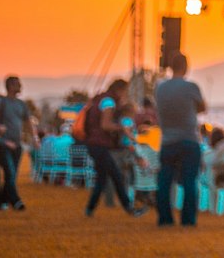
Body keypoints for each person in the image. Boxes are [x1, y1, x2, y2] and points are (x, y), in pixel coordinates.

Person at [154, 52, 207, 227]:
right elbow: (202, 107)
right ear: (185, 66)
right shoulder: (191, 87)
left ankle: (165, 218)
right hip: (189, 139)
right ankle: (188, 219)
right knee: (190, 181)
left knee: (164, 181)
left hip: (168, 140)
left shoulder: (160, 88)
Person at [83, 80, 146, 218]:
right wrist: (122, 128)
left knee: (102, 179)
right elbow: (105, 125)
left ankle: (90, 209)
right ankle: (129, 208)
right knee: (116, 176)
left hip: (94, 143)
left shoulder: (101, 99)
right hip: (99, 144)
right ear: (120, 89)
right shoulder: (109, 102)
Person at [0, 76, 35, 211]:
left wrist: (35, 139)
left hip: (17, 144)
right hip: (2, 145)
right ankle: (16, 201)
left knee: (12, 174)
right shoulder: (1, 102)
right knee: (8, 173)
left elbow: (28, 122)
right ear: (10, 86)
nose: (20, 86)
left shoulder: (22, 104)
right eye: (18, 84)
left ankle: (1, 201)